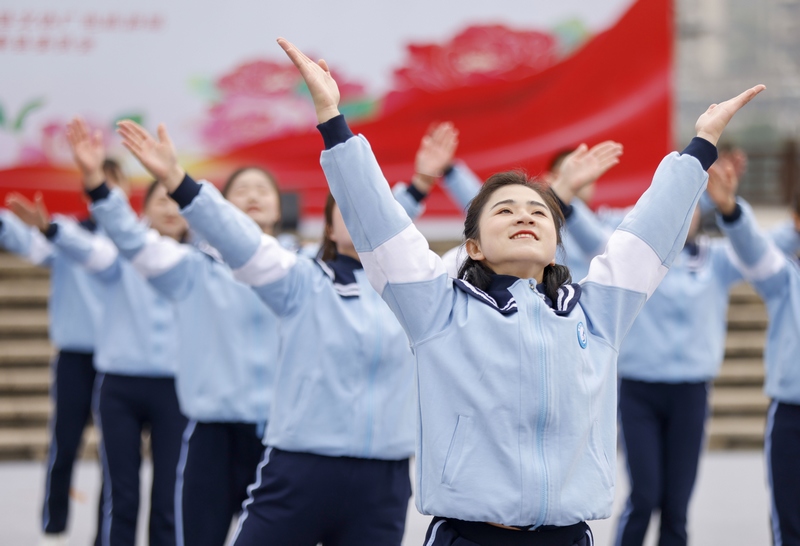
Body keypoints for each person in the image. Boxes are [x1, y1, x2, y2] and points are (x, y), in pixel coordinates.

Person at [277, 36, 764, 545]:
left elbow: (647, 234)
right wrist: (333, 120)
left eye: (537, 212)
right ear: (475, 247)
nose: (524, 216)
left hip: (568, 534)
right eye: (504, 210)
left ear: (557, 246)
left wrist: (700, 145)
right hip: (469, 534)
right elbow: (380, 225)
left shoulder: (594, 315)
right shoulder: (438, 309)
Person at [112, 114, 444, 546]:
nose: (358, 217)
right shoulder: (299, 276)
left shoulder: (415, 292)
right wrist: (177, 180)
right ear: (326, 226)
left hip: (384, 475)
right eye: (343, 209)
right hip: (282, 455)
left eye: (261, 190)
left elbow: (386, 219)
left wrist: (418, 185)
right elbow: (236, 238)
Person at [64, 117, 280, 546]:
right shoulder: (196, 269)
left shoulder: (300, 270)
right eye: (242, 190)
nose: (253, 195)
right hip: (211, 431)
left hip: (277, 434)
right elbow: (131, 241)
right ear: (220, 212)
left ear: (280, 205)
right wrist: (98, 187)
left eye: (263, 189)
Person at [11, 123, 189, 546]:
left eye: (175, 201)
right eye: (159, 200)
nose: (168, 209)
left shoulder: (200, 263)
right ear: (141, 212)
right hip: (112, 379)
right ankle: (58, 522)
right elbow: (83, 247)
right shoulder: (117, 256)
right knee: (117, 491)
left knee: (168, 500)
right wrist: (55, 225)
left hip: (177, 389)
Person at [0, 162, 126, 546]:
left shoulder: (138, 242)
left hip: (118, 361)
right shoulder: (65, 233)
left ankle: (106, 534)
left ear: (121, 188)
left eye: (110, 184)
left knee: (114, 454)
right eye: (96, 186)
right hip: (75, 358)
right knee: (65, 442)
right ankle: (54, 526)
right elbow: (30, 245)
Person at [711, 159, 800, 546]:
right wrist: (730, 210)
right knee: (790, 522)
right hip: (792, 415)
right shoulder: (785, 278)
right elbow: (754, 253)